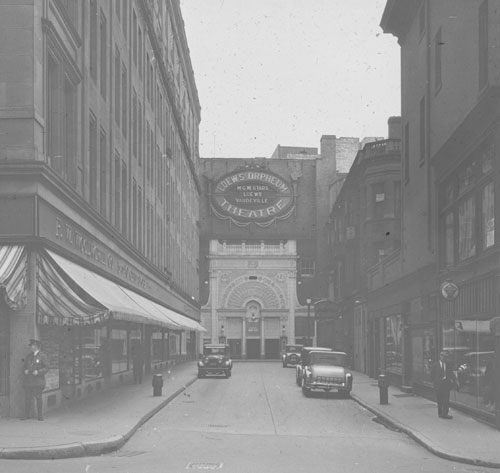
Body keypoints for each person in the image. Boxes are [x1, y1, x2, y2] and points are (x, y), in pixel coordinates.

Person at [22, 339, 49, 420]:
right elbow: (24, 366)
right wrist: (25, 370)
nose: (31, 347)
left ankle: (40, 415)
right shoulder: (29, 356)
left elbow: (47, 368)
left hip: (38, 381)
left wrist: (38, 372)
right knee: (27, 398)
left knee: (38, 398)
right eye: (31, 346)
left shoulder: (43, 356)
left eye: (33, 345)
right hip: (29, 382)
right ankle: (26, 415)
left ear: (37, 346)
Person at [431, 350, 458, 419]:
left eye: (446, 357)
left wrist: (454, 381)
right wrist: (435, 383)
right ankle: (440, 413)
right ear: (440, 356)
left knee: (446, 399)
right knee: (439, 400)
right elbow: (432, 375)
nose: (444, 358)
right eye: (443, 357)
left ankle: (445, 413)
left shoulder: (448, 365)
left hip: (446, 384)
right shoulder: (435, 365)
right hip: (438, 385)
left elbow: (451, 374)